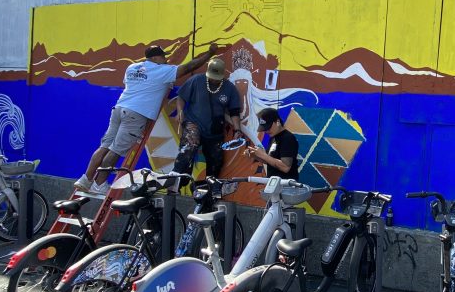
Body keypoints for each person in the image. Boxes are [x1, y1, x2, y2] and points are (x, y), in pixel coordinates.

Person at [74, 43, 217, 194]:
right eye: (163, 57)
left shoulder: (131, 68)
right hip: (135, 114)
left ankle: (86, 179)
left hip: (119, 109)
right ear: (155, 58)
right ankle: (100, 184)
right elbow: (188, 67)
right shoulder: (161, 71)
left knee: (104, 147)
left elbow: (142, 84)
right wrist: (209, 54)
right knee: (115, 150)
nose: (165, 59)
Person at [172, 57, 242, 186]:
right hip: (194, 122)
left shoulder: (229, 88)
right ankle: (176, 181)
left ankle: (208, 187)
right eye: (212, 76)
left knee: (216, 159)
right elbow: (181, 97)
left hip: (214, 128)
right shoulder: (196, 80)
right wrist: (180, 111)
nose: (214, 79)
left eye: (217, 77)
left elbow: (234, 111)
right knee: (189, 147)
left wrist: (237, 129)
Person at [245, 107, 299, 180]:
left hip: (286, 186)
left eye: (268, 128)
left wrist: (263, 155)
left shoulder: (287, 138)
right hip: (274, 184)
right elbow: (270, 161)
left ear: (277, 122)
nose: (266, 131)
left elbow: (285, 167)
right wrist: (255, 155)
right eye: (265, 129)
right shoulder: (273, 137)